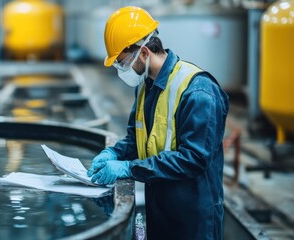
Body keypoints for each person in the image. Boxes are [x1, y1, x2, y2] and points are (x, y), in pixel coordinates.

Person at [87, 6, 229, 240]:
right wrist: (113, 153)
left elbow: (193, 159)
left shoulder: (198, 93)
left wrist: (129, 168)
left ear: (144, 52)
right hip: (159, 211)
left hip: (193, 221)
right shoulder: (145, 87)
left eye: (123, 63)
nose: (122, 70)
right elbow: (136, 138)